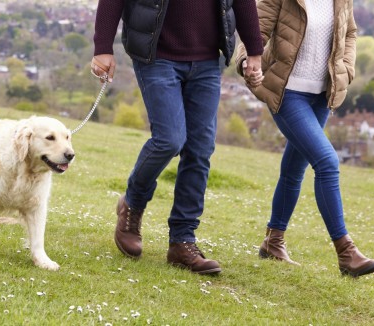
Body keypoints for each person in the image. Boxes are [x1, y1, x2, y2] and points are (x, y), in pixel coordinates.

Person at [90, 0, 263, 275]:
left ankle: (182, 241)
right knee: (169, 139)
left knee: (200, 149)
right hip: (156, 56)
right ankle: (132, 204)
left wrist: (254, 50)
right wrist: (102, 48)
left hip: (207, 60)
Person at [234, 0, 374, 277]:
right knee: (326, 161)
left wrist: (346, 69)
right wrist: (246, 62)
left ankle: (273, 242)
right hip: (287, 92)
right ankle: (346, 251)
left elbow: (349, 32)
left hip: (322, 95)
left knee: (293, 170)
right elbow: (255, 29)